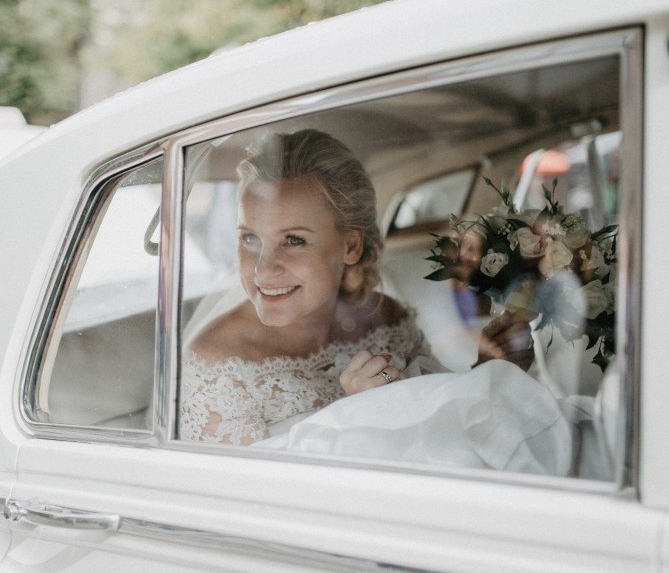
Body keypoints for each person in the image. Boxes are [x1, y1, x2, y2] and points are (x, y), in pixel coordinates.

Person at [178, 130, 536, 448]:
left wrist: (486, 372)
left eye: (294, 240)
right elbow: (248, 509)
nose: (263, 268)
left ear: (350, 247)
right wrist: (356, 419)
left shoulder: (389, 319)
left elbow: (440, 427)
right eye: (250, 238)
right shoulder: (217, 366)